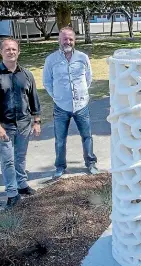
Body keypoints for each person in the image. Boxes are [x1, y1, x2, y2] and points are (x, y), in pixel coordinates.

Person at [0, 38, 41, 208]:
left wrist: (36, 121)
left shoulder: (27, 74)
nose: (11, 52)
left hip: (24, 124)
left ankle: (22, 185)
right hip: (4, 126)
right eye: (7, 49)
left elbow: (33, 98)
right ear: (1, 52)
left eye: (14, 49)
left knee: (20, 157)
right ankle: (12, 193)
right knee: (7, 160)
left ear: (18, 52)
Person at [43, 27, 98, 179]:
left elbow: (88, 78)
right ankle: (60, 167)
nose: (68, 42)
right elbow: (47, 82)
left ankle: (91, 163)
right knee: (60, 139)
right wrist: (57, 96)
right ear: (59, 40)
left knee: (87, 136)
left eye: (71, 39)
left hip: (81, 105)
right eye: (65, 39)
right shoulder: (51, 60)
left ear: (74, 40)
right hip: (61, 107)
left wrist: (82, 93)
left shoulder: (82, 57)